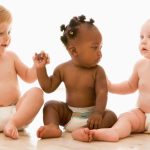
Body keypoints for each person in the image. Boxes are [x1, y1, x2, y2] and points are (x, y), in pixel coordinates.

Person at [34, 15, 117, 139]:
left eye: (100, 47)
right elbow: (48, 87)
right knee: (50, 106)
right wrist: (41, 69)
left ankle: (87, 131)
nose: (100, 52)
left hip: (92, 118)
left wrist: (98, 113)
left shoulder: (98, 71)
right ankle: (52, 126)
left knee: (111, 116)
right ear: (74, 51)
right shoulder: (62, 69)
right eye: (95, 47)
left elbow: (102, 93)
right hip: (69, 114)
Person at [72, 19, 150, 142]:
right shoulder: (140, 65)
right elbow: (130, 86)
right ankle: (114, 132)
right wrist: (111, 87)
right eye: (141, 37)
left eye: (149, 37)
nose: (144, 41)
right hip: (143, 115)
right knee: (126, 117)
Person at [0, 5, 44, 139]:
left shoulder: (11, 57)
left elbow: (28, 77)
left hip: (16, 114)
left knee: (37, 93)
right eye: (1, 33)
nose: (7, 38)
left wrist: (37, 67)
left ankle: (11, 124)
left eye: (9, 32)